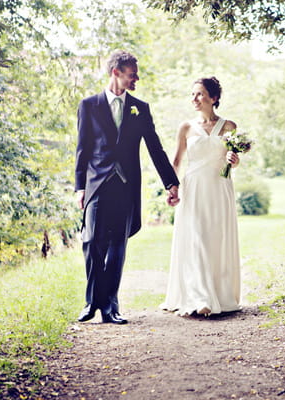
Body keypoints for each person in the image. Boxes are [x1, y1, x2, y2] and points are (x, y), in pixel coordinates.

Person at [75, 50, 180, 324]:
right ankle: (91, 302)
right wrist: (79, 187)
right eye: (132, 74)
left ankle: (110, 307)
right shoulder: (89, 105)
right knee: (91, 243)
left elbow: (155, 148)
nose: (137, 79)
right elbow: (82, 149)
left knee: (117, 247)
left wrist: (171, 182)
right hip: (96, 185)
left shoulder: (140, 108)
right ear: (116, 73)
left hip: (125, 187)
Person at [160, 76, 241, 317]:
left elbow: (232, 161)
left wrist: (235, 161)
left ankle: (218, 292)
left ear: (213, 98)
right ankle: (200, 297)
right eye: (192, 94)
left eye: (199, 94)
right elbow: (176, 162)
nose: (194, 99)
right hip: (193, 189)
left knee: (216, 239)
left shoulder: (229, 127)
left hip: (219, 188)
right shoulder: (186, 128)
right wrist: (171, 188)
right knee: (196, 238)